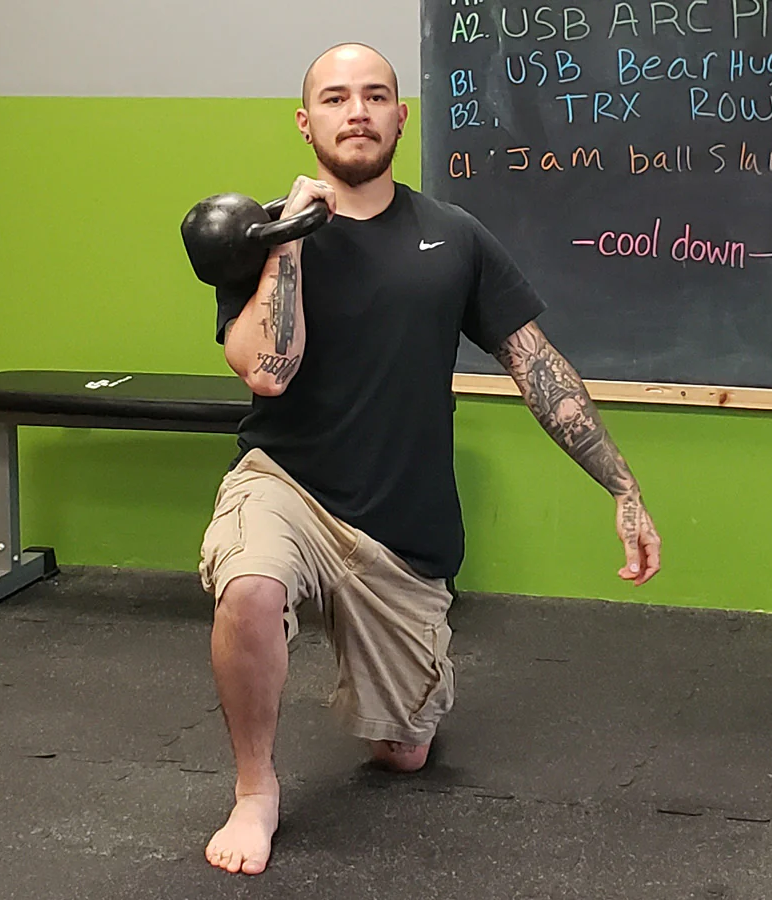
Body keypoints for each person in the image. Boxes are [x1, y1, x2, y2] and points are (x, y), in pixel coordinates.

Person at [197, 42, 662, 876]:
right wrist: (294, 240)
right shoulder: (262, 239)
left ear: (401, 117)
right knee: (249, 585)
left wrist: (621, 484)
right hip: (288, 483)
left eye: (376, 96)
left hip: (402, 528)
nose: (358, 111)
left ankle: (385, 675)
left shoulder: (454, 237)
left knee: (402, 753)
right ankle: (255, 790)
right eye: (336, 98)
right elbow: (267, 371)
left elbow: (536, 365)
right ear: (306, 123)